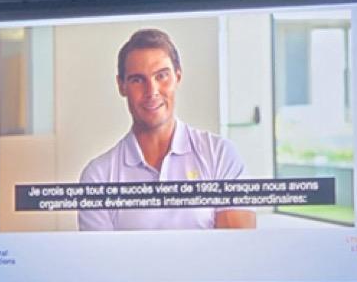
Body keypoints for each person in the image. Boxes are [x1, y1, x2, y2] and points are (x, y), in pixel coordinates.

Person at [78, 28, 255, 231]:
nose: (151, 91)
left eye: (161, 76)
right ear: (122, 86)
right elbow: (101, 253)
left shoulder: (220, 155)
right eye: (138, 80)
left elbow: (237, 246)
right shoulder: (98, 176)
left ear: (177, 77)